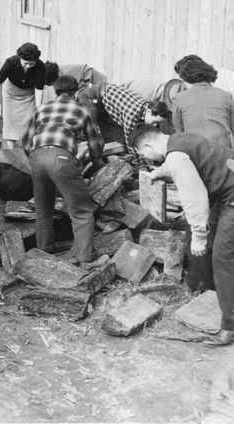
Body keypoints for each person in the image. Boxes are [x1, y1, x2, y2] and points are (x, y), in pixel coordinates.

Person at [130, 124, 234, 347]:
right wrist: (155, 174)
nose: (146, 158)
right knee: (215, 240)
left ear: (148, 145)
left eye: (142, 154)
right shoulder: (178, 140)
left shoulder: (176, 158)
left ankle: (230, 326)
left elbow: (195, 200)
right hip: (227, 188)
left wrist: (198, 236)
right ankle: (212, 291)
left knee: (223, 257)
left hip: (231, 196)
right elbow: (172, 165)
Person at [24, 75, 105, 265]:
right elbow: (95, 142)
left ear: (56, 92)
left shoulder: (41, 109)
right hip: (61, 159)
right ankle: (86, 259)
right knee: (81, 210)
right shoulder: (81, 110)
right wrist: (96, 161)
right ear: (76, 92)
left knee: (43, 208)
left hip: (36, 157)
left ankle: (44, 250)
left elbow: (26, 143)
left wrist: (38, 157)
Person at [78, 82, 170, 150]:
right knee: (93, 133)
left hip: (104, 101)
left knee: (119, 137)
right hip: (90, 96)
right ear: (149, 111)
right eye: (155, 122)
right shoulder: (132, 113)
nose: (154, 125)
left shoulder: (148, 106)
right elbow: (130, 141)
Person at [172, 57, 234, 149]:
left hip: (197, 155)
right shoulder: (226, 96)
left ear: (185, 77)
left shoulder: (179, 99)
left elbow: (180, 134)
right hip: (225, 154)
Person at [0, 42, 46, 149]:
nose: (28, 66)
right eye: (25, 63)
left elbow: (39, 89)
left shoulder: (41, 66)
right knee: (10, 123)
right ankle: (12, 152)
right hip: (10, 94)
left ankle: (27, 150)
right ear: (20, 57)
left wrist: (38, 108)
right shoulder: (11, 62)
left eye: (31, 64)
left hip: (29, 96)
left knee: (30, 123)